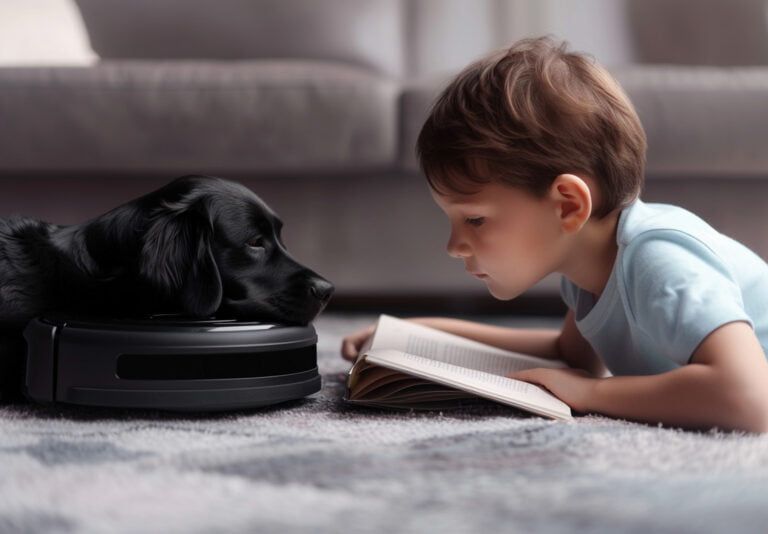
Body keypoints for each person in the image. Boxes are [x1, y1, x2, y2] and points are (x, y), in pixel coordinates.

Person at [340, 37, 768, 433]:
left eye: (474, 220)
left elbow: (749, 399)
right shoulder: (590, 269)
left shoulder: (659, 260)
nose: (453, 247)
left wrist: (590, 393)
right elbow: (567, 354)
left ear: (567, 205)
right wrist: (417, 333)